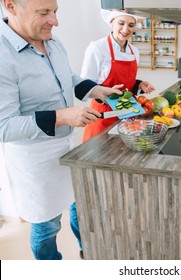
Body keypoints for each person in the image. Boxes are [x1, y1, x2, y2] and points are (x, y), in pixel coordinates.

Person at [0, 0, 123, 259]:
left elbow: (69, 79)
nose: (54, 21)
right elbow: (4, 126)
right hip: (35, 160)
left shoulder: (52, 42)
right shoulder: (3, 55)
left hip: (67, 146)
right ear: (11, 6)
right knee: (47, 225)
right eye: (44, 13)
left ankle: (88, 253)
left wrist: (97, 90)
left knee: (79, 205)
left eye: (55, 11)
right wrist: (62, 117)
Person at [81, 9, 155, 143]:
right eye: (121, 23)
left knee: (122, 154)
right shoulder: (97, 48)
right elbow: (84, 86)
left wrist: (139, 84)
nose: (126, 29)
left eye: (131, 25)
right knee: (98, 156)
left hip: (127, 114)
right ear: (111, 23)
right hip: (102, 114)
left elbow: (127, 84)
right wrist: (105, 92)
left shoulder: (134, 51)